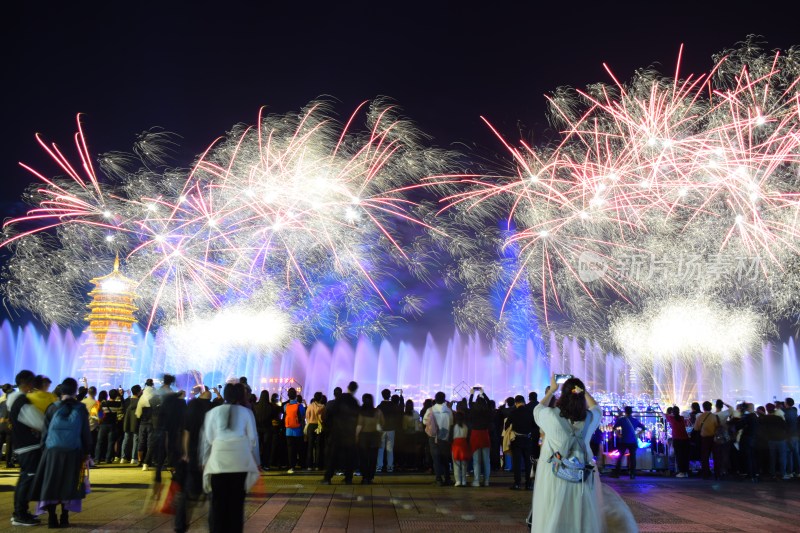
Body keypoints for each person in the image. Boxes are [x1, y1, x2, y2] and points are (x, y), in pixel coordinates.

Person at [532, 374, 636, 533]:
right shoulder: (589, 418)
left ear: (563, 396)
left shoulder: (551, 416)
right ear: (581, 396)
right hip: (583, 475)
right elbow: (597, 409)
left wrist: (552, 390)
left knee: (554, 511)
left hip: (555, 475)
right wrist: (584, 391)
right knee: (582, 515)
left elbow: (537, 409)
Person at [30, 377, 92, 529]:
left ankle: (52, 518)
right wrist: (87, 453)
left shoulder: (52, 407)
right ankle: (64, 517)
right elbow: (85, 433)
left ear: (61, 391)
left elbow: (44, 433)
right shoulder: (80, 408)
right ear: (75, 391)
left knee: (51, 483)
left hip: (52, 452)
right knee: (69, 484)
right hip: (73, 452)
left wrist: (44, 450)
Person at [201, 383, 260, 533]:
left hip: (218, 463)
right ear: (242, 395)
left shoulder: (213, 413)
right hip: (240, 462)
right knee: (236, 506)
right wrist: (257, 461)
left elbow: (207, 440)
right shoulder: (247, 413)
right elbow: (253, 439)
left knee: (218, 504)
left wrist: (204, 461)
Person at [8, 370, 46, 526]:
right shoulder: (22, 401)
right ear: (28, 383)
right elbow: (39, 422)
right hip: (28, 446)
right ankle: (20, 514)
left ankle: (19, 512)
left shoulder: (14, 400)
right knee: (27, 479)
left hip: (22, 445)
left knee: (24, 478)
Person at [174, 388, 213, 533]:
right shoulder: (212, 410)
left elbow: (186, 433)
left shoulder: (191, 408)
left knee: (185, 494)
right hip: (207, 457)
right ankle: (213, 525)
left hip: (192, 456)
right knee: (211, 494)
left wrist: (185, 454)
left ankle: (180, 525)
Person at [321, 382, 359, 484]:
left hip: (337, 432)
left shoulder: (340, 399)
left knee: (332, 456)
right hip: (349, 433)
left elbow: (329, 414)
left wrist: (328, 428)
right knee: (349, 457)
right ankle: (348, 478)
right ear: (355, 390)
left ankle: (328, 478)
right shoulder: (354, 401)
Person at [422, 391, 453, 486]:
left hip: (433, 437)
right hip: (445, 437)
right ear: (444, 399)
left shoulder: (430, 410)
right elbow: (451, 424)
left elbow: (424, 422)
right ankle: (447, 478)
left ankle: (438, 479)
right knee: (445, 458)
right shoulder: (448, 411)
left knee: (436, 459)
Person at [505, 394, 534, 490]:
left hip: (516, 440)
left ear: (516, 403)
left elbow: (507, 425)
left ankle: (517, 483)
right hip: (527, 439)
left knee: (517, 462)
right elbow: (534, 426)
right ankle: (528, 484)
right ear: (524, 402)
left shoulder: (513, 412)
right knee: (528, 462)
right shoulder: (530, 412)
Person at [356, 393, 384, 484]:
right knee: (373, 458)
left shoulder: (361, 412)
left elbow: (359, 426)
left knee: (363, 458)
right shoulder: (378, 412)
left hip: (363, 437)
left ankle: (364, 477)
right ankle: (370, 477)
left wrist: (356, 436)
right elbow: (382, 423)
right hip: (375, 436)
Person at [612, 406, 644, 479]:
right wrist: (638, 434)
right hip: (633, 441)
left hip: (624, 440)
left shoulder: (622, 420)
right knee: (633, 458)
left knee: (620, 457)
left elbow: (614, 428)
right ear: (631, 412)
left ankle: (617, 473)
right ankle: (632, 474)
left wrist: (618, 434)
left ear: (625, 412)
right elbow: (643, 428)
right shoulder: (635, 420)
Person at [468, 388, 492, 486]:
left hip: (475, 434)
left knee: (476, 460)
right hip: (485, 434)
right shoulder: (487, 410)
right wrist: (483, 393)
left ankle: (476, 480)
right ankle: (486, 481)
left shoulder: (473, 409)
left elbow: (470, 402)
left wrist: (472, 394)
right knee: (486, 460)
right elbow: (490, 402)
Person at [376, 388, 402, 473]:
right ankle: (390, 467)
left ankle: (379, 466)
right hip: (391, 429)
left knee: (381, 448)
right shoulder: (394, 406)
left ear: (382, 395)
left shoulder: (379, 407)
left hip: (381, 430)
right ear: (389, 395)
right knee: (390, 449)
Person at [693, 401, 719, 479]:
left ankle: (706, 473)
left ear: (703, 408)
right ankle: (717, 473)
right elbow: (718, 427)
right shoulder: (715, 416)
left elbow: (696, 428)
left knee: (705, 457)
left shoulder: (699, 417)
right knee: (716, 456)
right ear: (710, 408)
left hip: (704, 439)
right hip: (714, 439)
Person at [95, 389, 123, 463]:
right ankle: (108, 459)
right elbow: (121, 405)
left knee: (99, 442)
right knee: (111, 443)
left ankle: (97, 459)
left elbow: (99, 413)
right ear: (116, 396)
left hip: (103, 425)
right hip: (112, 425)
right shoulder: (117, 404)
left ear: (109, 395)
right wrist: (120, 395)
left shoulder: (103, 404)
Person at [762, 403, 789, 480]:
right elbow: (785, 427)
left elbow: (764, 429)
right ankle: (783, 474)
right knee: (782, 457)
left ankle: (773, 474)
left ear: (767, 409)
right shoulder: (779, 418)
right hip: (781, 439)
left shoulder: (765, 418)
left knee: (772, 457)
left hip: (771, 440)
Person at [283, 387, 305, 473]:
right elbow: (302, 417)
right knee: (299, 448)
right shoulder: (300, 406)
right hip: (298, 431)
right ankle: (301, 465)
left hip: (288, 431)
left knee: (290, 449)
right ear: (296, 395)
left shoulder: (285, 406)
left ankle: (291, 466)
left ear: (288, 396)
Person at [136, 378, 155, 469]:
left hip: (142, 423)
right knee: (150, 443)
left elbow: (138, 413)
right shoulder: (155, 395)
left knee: (141, 442)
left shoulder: (142, 397)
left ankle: (140, 461)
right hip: (151, 423)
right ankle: (146, 463)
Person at [665, 406, 690, 477]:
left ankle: (681, 472)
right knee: (685, 456)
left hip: (677, 439)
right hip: (685, 439)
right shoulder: (682, 418)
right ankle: (685, 472)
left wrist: (670, 414)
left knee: (679, 456)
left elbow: (665, 415)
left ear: (673, 412)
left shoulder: (671, 418)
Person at [121, 385, 142, 464]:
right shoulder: (140, 401)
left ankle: (123, 457)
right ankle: (134, 458)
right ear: (139, 392)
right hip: (136, 422)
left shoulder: (127, 400)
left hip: (127, 422)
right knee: (136, 440)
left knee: (126, 439)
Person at [253, 390, 273, 469]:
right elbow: (273, 417)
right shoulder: (270, 406)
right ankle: (265, 464)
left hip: (257, 428)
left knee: (258, 447)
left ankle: (257, 463)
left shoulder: (255, 406)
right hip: (267, 429)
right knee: (266, 447)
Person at [304, 392, 324, 470]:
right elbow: (323, 418)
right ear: (320, 398)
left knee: (310, 446)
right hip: (319, 426)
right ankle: (317, 465)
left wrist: (309, 420)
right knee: (318, 446)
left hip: (311, 426)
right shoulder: (322, 407)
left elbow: (307, 416)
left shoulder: (310, 406)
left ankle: (309, 465)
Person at [451, 411, 470, 487]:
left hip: (456, 445)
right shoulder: (466, 426)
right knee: (464, 464)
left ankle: (458, 481)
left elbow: (450, 437)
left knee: (456, 464)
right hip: (464, 445)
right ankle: (464, 481)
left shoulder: (453, 426)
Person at [1, 383, 16, 468]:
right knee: (9, 446)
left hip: (0, 425)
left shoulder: (2, 402)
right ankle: (8, 462)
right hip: (9, 426)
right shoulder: (13, 403)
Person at [784, 397, 799, 478]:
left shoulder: (785, 412)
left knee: (789, 454)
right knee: (796, 454)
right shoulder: (794, 411)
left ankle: (790, 472)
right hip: (795, 435)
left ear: (786, 403)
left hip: (789, 435)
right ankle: (797, 472)